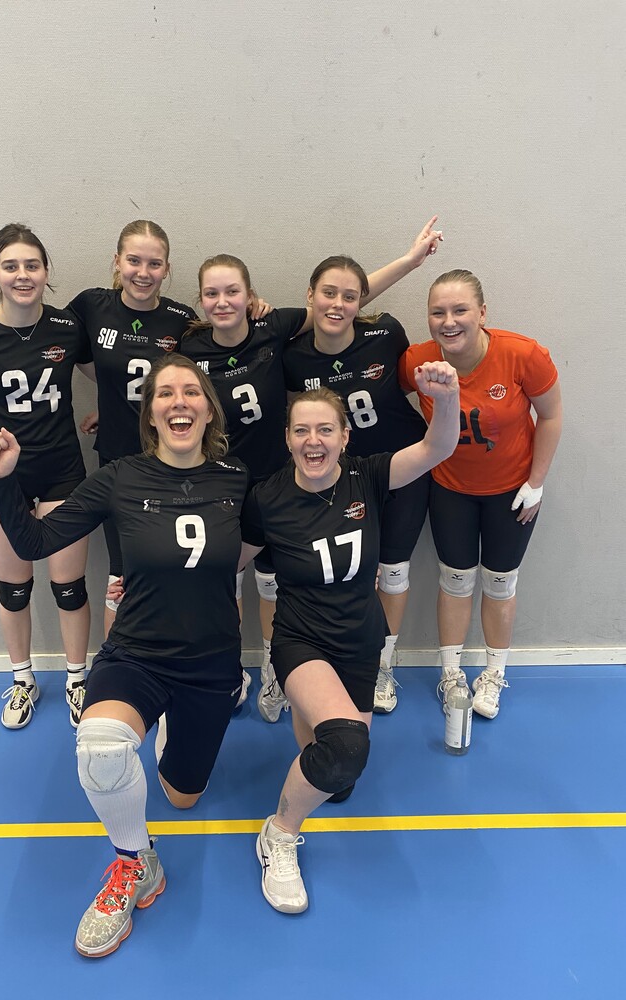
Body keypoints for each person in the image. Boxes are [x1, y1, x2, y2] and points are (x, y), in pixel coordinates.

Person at [0, 353, 249, 957]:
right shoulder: (121, 476)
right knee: (100, 750)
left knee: (182, 797)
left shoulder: (237, 478)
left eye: (191, 392)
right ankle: (135, 863)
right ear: (149, 414)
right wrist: (3, 480)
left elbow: (268, 541)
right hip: (137, 653)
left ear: (209, 410)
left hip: (210, 662)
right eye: (164, 394)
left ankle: (169, 725)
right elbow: (37, 541)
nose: (178, 402)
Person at [182, 218, 442, 723]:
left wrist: (410, 262)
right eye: (212, 293)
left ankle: (368, 667)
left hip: (362, 473)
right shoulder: (213, 348)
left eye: (233, 292)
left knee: (370, 572)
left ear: (250, 297)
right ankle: (248, 670)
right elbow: (147, 379)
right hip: (248, 480)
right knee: (245, 576)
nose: (223, 301)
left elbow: (346, 301)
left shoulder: (305, 330)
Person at [240, 371, 459, 913]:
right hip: (300, 639)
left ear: (344, 436)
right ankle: (279, 834)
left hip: (361, 637)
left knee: (339, 778)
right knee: (346, 747)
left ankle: (315, 743)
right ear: (287, 438)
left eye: (324, 430)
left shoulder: (368, 475)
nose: (312, 441)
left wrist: (447, 397)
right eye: (301, 430)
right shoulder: (267, 497)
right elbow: (226, 564)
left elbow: (438, 447)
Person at [0, 221, 198, 638]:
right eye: (133, 260)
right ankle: (119, 664)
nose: (143, 272)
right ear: (117, 261)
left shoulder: (181, 318)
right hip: (117, 459)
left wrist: (255, 308)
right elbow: (38, 330)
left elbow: (205, 374)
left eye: (155, 263)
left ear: (167, 268)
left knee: (181, 565)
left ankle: (185, 656)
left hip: (174, 460)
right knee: (122, 574)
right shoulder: (90, 307)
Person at [284, 237, 443, 714]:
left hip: (401, 469)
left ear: (361, 301)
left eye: (349, 296)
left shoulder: (386, 333)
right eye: (328, 293)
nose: (338, 304)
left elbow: (355, 303)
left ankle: (383, 665)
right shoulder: (293, 356)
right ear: (310, 296)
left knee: (393, 569)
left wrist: (411, 262)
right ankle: (343, 661)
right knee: (350, 572)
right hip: (343, 479)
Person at [0, 224, 93, 729]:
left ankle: (77, 679)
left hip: (62, 471)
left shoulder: (68, 326)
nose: (23, 274)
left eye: (32, 265)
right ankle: (23, 680)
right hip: (3, 480)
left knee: (69, 587)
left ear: (46, 272)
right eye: (11, 266)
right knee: (14, 587)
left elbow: (111, 374)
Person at [400, 269, 562, 719]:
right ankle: (451, 673)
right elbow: (377, 391)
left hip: (511, 493)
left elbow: (551, 416)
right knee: (455, 580)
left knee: (500, 583)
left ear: (482, 313)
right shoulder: (418, 360)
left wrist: (537, 482)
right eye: (437, 312)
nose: (448, 321)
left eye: (460, 310)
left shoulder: (522, 354)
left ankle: (493, 674)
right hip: (450, 490)